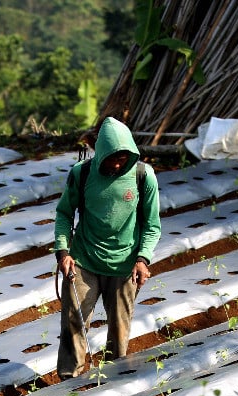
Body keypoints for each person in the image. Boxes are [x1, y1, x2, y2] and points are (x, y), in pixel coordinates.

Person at [53, 116, 161, 380]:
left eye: (122, 158)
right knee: (73, 324)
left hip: (124, 266)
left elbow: (152, 225)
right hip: (84, 262)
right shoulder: (82, 173)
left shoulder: (143, 176)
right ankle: (70, 383)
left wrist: (143, 259)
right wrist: (63, 252)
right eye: (111, 158)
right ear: (100, 152)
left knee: (119, 329)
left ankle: (116, 382)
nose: (116, 163)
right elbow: (64, 214)